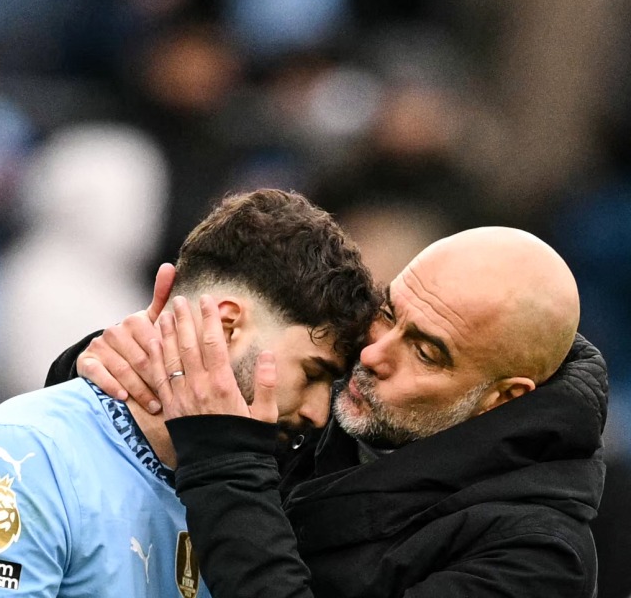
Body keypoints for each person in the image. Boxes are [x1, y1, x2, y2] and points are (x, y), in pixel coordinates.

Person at [60, 226, 604, 597]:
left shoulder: (537, 558)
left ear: (503, 398)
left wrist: (225, 464)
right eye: (389, 312)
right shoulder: (328, 386)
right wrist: (120, 371)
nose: (373, 354)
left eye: (425, 351)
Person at [0, 189, 379, 596]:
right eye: (313, 373)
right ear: (224, 327)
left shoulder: (263, 501)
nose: (320, 413)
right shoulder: (25, 456)